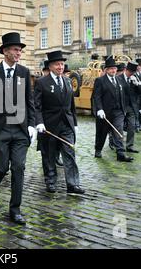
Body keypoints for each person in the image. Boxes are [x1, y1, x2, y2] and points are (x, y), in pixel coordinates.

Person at [0, 32, 36, 225]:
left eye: (20, 50)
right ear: (5, 51)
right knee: (1, 168)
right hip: (0, 130)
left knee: (18, 167)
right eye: (15, 49)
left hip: (20, 130)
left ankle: (15, 209)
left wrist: (33, 125)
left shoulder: (24, 72)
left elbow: (30, 101)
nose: (18, 53)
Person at [34, 51, 84, 194]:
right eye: (57, 64)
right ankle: (50, 181)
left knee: (69, 153)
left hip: (66, 124)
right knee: (49, 155)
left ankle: (73, 184)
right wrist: (39, 122)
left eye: (62, 64)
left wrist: (74, 123)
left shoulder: (67, 81)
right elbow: (37, 106)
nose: (60, 67)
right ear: (50, 66)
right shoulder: (41, 82)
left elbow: (71, 105)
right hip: (49, 125)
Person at [93, 56, 134, 162]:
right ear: (106, 70)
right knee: (102, 133)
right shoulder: (100, 81)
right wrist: (99, 109)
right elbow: (96, 96)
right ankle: (98, 149)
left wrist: (124, 108)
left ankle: (120, 153)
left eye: (115, 68)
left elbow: (126, 94)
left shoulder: (119, 80)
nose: (113, 70)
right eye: (111, 68)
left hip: (118, 111)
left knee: (118, 130)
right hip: (105, 112)